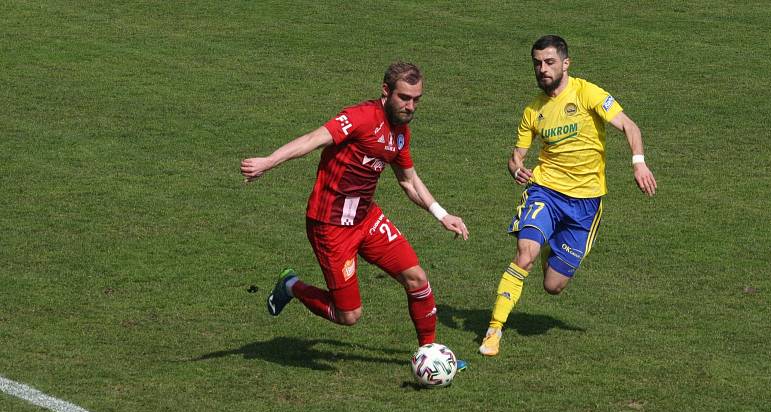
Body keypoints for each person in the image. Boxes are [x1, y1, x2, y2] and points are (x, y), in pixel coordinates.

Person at [241, 62, 469, 354]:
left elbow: (409, 182)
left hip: (365, 218)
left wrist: (442, 214)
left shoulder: (400, 132)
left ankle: (431, 353)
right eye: (405, 98)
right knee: (348, 315)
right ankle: (291, 286)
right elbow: (313, 139)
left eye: (416, 100)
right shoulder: (359, 118)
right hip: (330, 226)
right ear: (386, 91)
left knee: (418, 279)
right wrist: (267, 162)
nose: (411, 106)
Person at [479, 35, 657, 357]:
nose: (542, 69)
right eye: (537, 63)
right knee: (524, 254)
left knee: (553, 286)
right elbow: (516, 156)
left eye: (549, 62)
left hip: (586, 204)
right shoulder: (533, 110)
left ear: (565, 63)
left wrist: (638, 164)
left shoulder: (587, 93)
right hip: (545, 192)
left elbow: (630, 127)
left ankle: (552, 248)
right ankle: (493, 331)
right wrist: (516, 167)